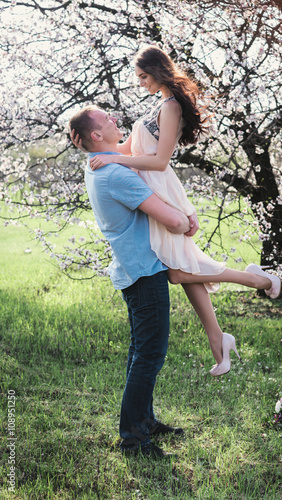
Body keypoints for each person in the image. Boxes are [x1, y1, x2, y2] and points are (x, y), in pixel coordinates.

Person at [72, 46, 281, 377]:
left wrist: (116, 160)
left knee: (179, 271)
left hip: (160, 188)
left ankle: (257, 279)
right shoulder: (157, 104)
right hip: (152, 190)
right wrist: (92, 148)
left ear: (156, 71)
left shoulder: (170, 107)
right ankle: (219, 339)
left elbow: (159, 161)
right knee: (182, 268)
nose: (140, 83)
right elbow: (128, 148)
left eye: (143, 76)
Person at [69, 105, 197, 458]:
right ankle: (133, 439)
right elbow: (172, 221)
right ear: (97, 136)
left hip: (131, 269)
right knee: (150, 354)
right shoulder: (116, 175)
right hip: (144, 271)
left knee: (140, 350)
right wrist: (186, 219)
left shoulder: (99, 167)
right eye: (105, 119)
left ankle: (144, 421)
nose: (113, 118)